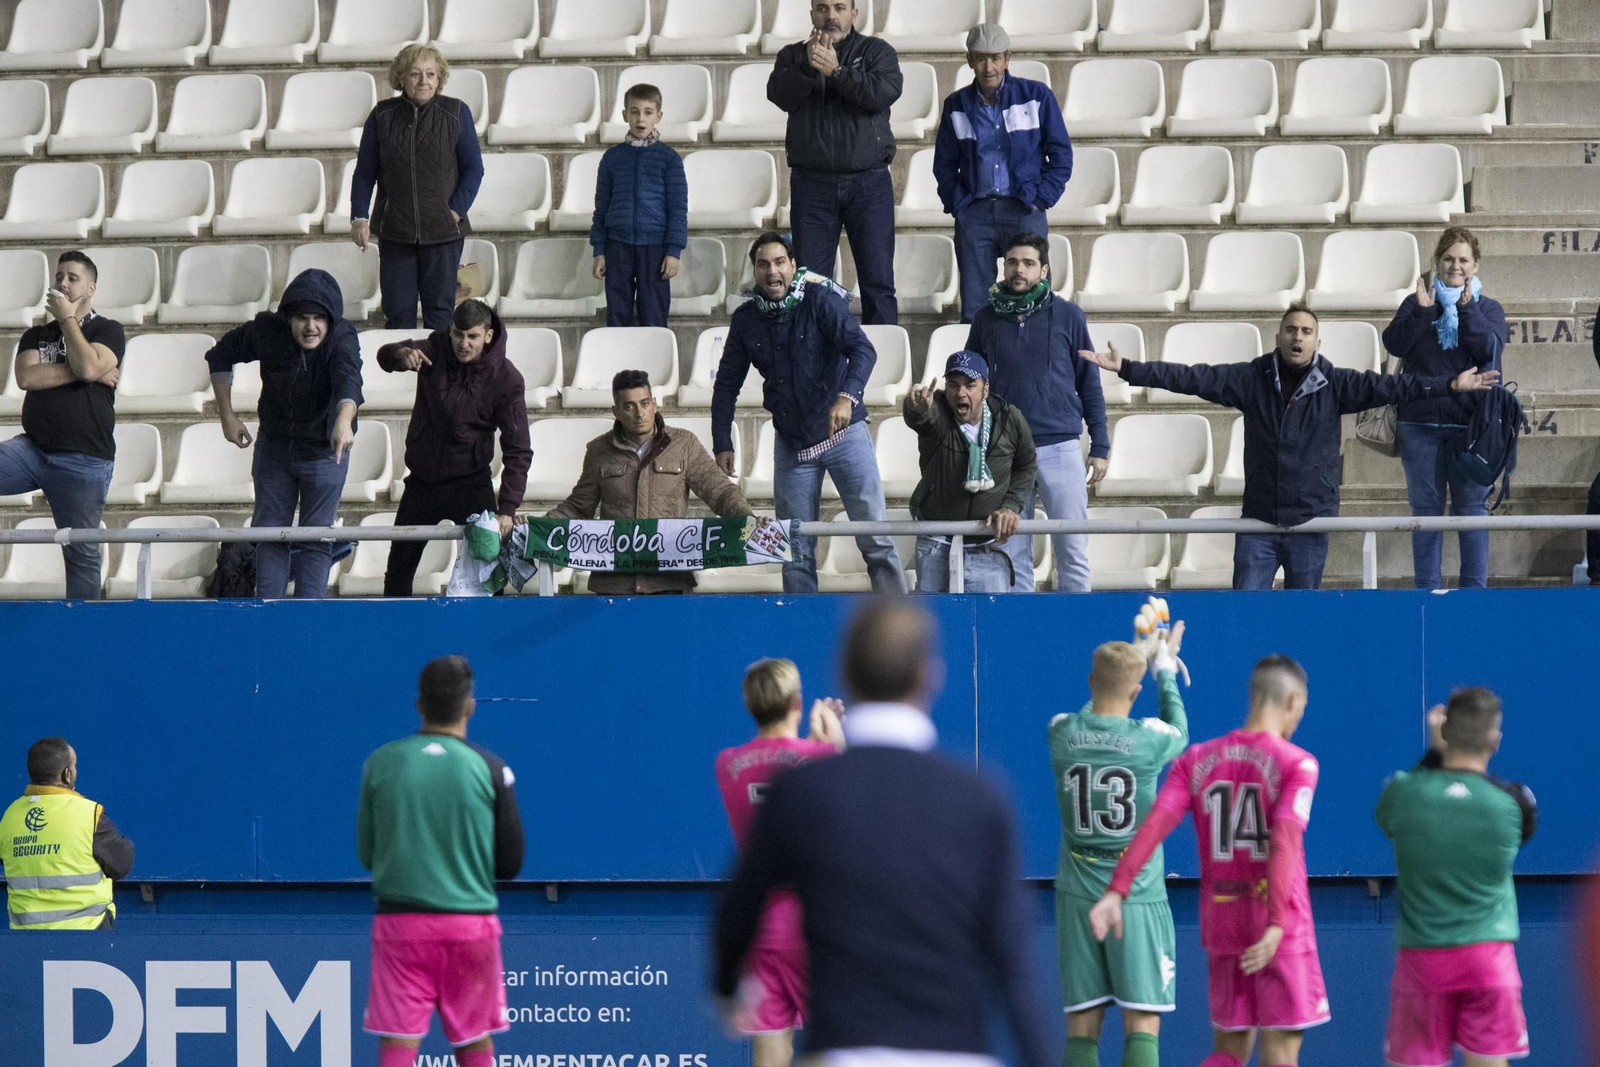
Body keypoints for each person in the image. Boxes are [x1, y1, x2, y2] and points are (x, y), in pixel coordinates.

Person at [714, 600, 1054, 1067]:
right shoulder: (981, 797)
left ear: (844, 673)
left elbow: (737, 910)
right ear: (930, 676)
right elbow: (1013, 965)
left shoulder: (799, 791)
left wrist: (725, 988)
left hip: (845, 1048)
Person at [1082, 305, 1500, 590]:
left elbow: (1394, 386)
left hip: (1311, 523)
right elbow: (1193, 377)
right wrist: (1129, 368)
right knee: (1247, 621)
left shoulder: (1337, 384)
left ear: (1318, 342)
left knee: (1302, 624)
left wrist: (1449, 384)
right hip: (1258, 523)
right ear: (1278, 336)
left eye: (1306, 332)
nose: (1298, 337)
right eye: (1291, 330)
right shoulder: (1251, 378)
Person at [1089, 655, 1327, 1067]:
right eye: (1302, 708)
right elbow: (1284, 842)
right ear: (1292, 701)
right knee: (1281, 1056)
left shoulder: (1196, 759)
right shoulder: (1298, 763)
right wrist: (1275, 923)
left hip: (1223, 924)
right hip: (1280, 931)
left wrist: (1116, 889)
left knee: (1228, 1053)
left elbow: (1153, 826)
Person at [712, 233, 906, 594]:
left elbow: (863, 350)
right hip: (792, 442)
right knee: (795, 548)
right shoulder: (745, 320)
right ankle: (798, 622)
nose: (772, 272)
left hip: (844, 434)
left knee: (875, 538)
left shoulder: (820, 300)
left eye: (779, 262)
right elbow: (726, 385)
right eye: (763, 264)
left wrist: (847, 397)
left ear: (792, 265)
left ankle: (898, 618)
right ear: (754, 271)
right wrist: (722, 440)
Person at [358, 655, 524, 1067]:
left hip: (400, 928)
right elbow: (510, 863)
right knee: (474, 1042)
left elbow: (367, 854)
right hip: (470, 928)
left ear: (420, 704)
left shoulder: (380, 763)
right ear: (470, 706)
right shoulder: (492, 768)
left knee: (398, 1042)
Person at [1051, 627, 1188, 1067]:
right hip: (1136, 892)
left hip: (1076, 890)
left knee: (1081, 1024)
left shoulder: (1060, 731)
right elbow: (1179, 729)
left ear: (1091, 681)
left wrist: (1124, 669)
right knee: (1142, 1020)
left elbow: (1088, 715)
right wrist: (1163, 670)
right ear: (1136, 691)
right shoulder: (1149, 738)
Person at [1376, 688, 1535, 1067]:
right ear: (1495, 741)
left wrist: (1434, 755)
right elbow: (1523, 833)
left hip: (1422, 962)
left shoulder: (1404, 793)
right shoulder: (1515, 803)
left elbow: (1387, 813)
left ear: (1444, 733)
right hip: (1489, 961)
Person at [714, 658, 847, 1067]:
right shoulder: (821, 758)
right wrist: (832, 742)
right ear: (797, 702)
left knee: (770, 1044)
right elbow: (842, 795)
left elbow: (778, 769)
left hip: (761, 926)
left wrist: (814, 745)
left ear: (750, 705)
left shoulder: (727, 763)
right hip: (813, 922)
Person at [207, 268, 363, 598]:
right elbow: (220, 355)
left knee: (317, 537)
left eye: (319, 318)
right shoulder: (267, 331)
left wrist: (343, 419)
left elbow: (349, 379)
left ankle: (308, 617)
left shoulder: (342, 337)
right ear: (288, 318)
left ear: (330, 320)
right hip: (275, 448)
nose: (311, 326)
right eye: (302, 318)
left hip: (325, 450)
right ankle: (270, 613)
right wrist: (226, 416)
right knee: (270, 535)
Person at [966, 234, 1108, 593]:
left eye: (1028, 263)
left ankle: (1076, 623)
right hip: (1005, 449)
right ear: (1004, 267)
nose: (1019, 270)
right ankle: (1020, 626)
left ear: (1044, 270)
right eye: (1013, 262)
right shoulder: (985, 319)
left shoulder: (1069, 316)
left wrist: (1101, 446)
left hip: (1059, 445)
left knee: (1072, 548)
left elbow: (1089, 383)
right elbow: (970, 382)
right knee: (1012, 550)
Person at [1382, 228, 1508, 591]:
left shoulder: (1488, 308)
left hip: (1471, 430)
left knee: (1472, 512)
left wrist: (1467, 310)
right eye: (1449, 259)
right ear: (1437, 262)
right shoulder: (1417, 302)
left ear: (1475, 265)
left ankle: (1474, 597)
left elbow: (1490, 350)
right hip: (1419, 425)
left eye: (1463, 260)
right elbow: (1394, 343)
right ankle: (1427, 595)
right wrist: (1422, 314)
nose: (1456, 266)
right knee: (1426, 513)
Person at [376, 299, 531, 596]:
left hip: (471, 483)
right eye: (458, 334)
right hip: (421, 482)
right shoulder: (433, 349)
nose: (463, 343)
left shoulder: (507, 379)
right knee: (397, 573)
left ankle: (488, 628)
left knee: (489, 575)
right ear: (450, 330)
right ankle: (394, 626)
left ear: (488, 335)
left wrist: (508, 508)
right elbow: (384, 356)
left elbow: (518, 448)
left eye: (472, 336)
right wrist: (399, 353)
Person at [550, 369, 752, 595]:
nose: (639, 413)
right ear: (616, 411)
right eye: (629, 406)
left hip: (669, 581)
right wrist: (538, 526)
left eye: (644, 403)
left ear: (654, 405)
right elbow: (578, 507)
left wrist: (749, 519)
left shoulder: (684, 444)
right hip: (614, 583)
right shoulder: (598, 450)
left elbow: (721, 492)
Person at [768, 0, 902, 324]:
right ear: (812, 14)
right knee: (811, 284)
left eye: (839, 7)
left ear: (854, 14)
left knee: (878, 283)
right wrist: (809, 68)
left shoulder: (876, 52)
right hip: (812, 185)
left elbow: (883, 93)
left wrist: (838, 72)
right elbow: (778, 95)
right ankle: (815, 355)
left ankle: (882, 355)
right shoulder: (793, 56)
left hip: (868, 183)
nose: (831, 16)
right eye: (822, 8)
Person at [1, 251, 124, 599]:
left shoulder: (108, 329)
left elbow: (89, 367)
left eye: (72, 278)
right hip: (32, 450)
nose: (63, 283)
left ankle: (85, 628)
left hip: (84, 459)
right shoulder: (36, 334)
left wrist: (69, 320)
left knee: (80, 554)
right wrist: (89, 371)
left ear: (91, 288)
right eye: (59, 277)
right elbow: (27, 377)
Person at [932, 24, 1072, 323]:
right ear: (969, 60)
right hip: (975, 213)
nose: (989, 67)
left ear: (1007, 58)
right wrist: (959, 204)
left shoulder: (1036, 96)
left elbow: (1061, 155)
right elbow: (944, 163)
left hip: (1024, 209)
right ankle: (979, 356)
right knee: (976, 309)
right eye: (981, 59)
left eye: (995, 58)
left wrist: (1041, 199)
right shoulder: (956, 104)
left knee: (1034, 302)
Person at [351, 43, 484, 331]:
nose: (423, 81)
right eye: (415, 74)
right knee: (398, 314)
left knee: (441, 316)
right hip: (395, 233)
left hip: (444, 234)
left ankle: (439, 364)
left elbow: (474, 169)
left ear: (439, 78)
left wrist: (454, 211)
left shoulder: (456, 112)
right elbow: (364, 172)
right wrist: (359, 216)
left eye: (430, 74)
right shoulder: (381, 115)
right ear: (401, 77)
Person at [902, 350, 1036, 593]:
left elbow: (1026, 465)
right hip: (936, 543)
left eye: (970, 385)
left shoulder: (1009, 418)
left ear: (985, 390)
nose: (960, 393)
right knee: (933, 617)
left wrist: (1010, 506)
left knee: (990, 617)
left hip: (988, 546)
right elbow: (922, 418)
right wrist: (915, 409)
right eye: (953, 385)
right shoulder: (938, 411)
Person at [0, 737, 134, 930]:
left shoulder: (10, 817)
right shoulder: (88, 814)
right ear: (67, 774)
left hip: (26, 937)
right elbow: (122, 864)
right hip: (87, 933)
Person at [590, 83, 688, 328]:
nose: (640, 118)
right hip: (618, 246)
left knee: (654, 315)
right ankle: (617, 354)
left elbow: (678, 209)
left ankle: (655, 354)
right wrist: (599, 249)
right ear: (625, 115)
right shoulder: (612, 158)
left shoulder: (669, 159)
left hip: (654, 248)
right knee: (617, 315)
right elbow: (601, 207)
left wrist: (673, 251)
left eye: (647, 112)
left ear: (658, 116)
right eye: (634, 112)